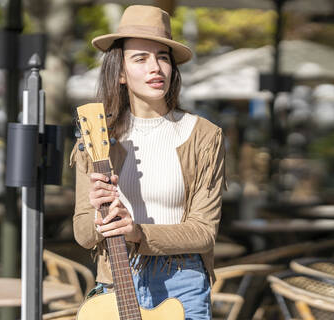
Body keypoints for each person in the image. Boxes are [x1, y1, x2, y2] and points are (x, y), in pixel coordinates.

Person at [70, 5, 226, 319]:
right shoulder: (96, 137)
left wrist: (138, 232)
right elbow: (83, 233)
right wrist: (101, 220)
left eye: (162, 57)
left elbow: (204, 232)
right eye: (140, 58)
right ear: (121, 73)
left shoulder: (204, 136)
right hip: (115, 276)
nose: (155, 67)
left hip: (181, 279)